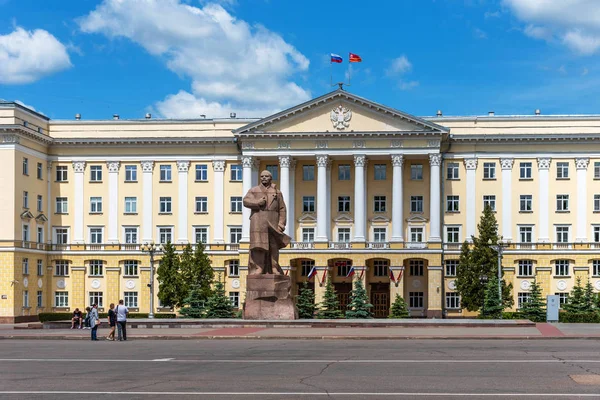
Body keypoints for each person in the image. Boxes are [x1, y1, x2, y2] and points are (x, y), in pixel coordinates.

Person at [243, 170, 290, 275]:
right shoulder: (254, 190)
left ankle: (274, 268)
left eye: (266, 176)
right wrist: (257, 203)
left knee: (273, 247)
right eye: (262, 176)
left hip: (273, 223)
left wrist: (281, 224)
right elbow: (245, 201)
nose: (264, 178)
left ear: (271, 178)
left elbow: (282, 208)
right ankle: (259, 268)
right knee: (259, 246)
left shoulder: (277, 192)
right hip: (258, 223)